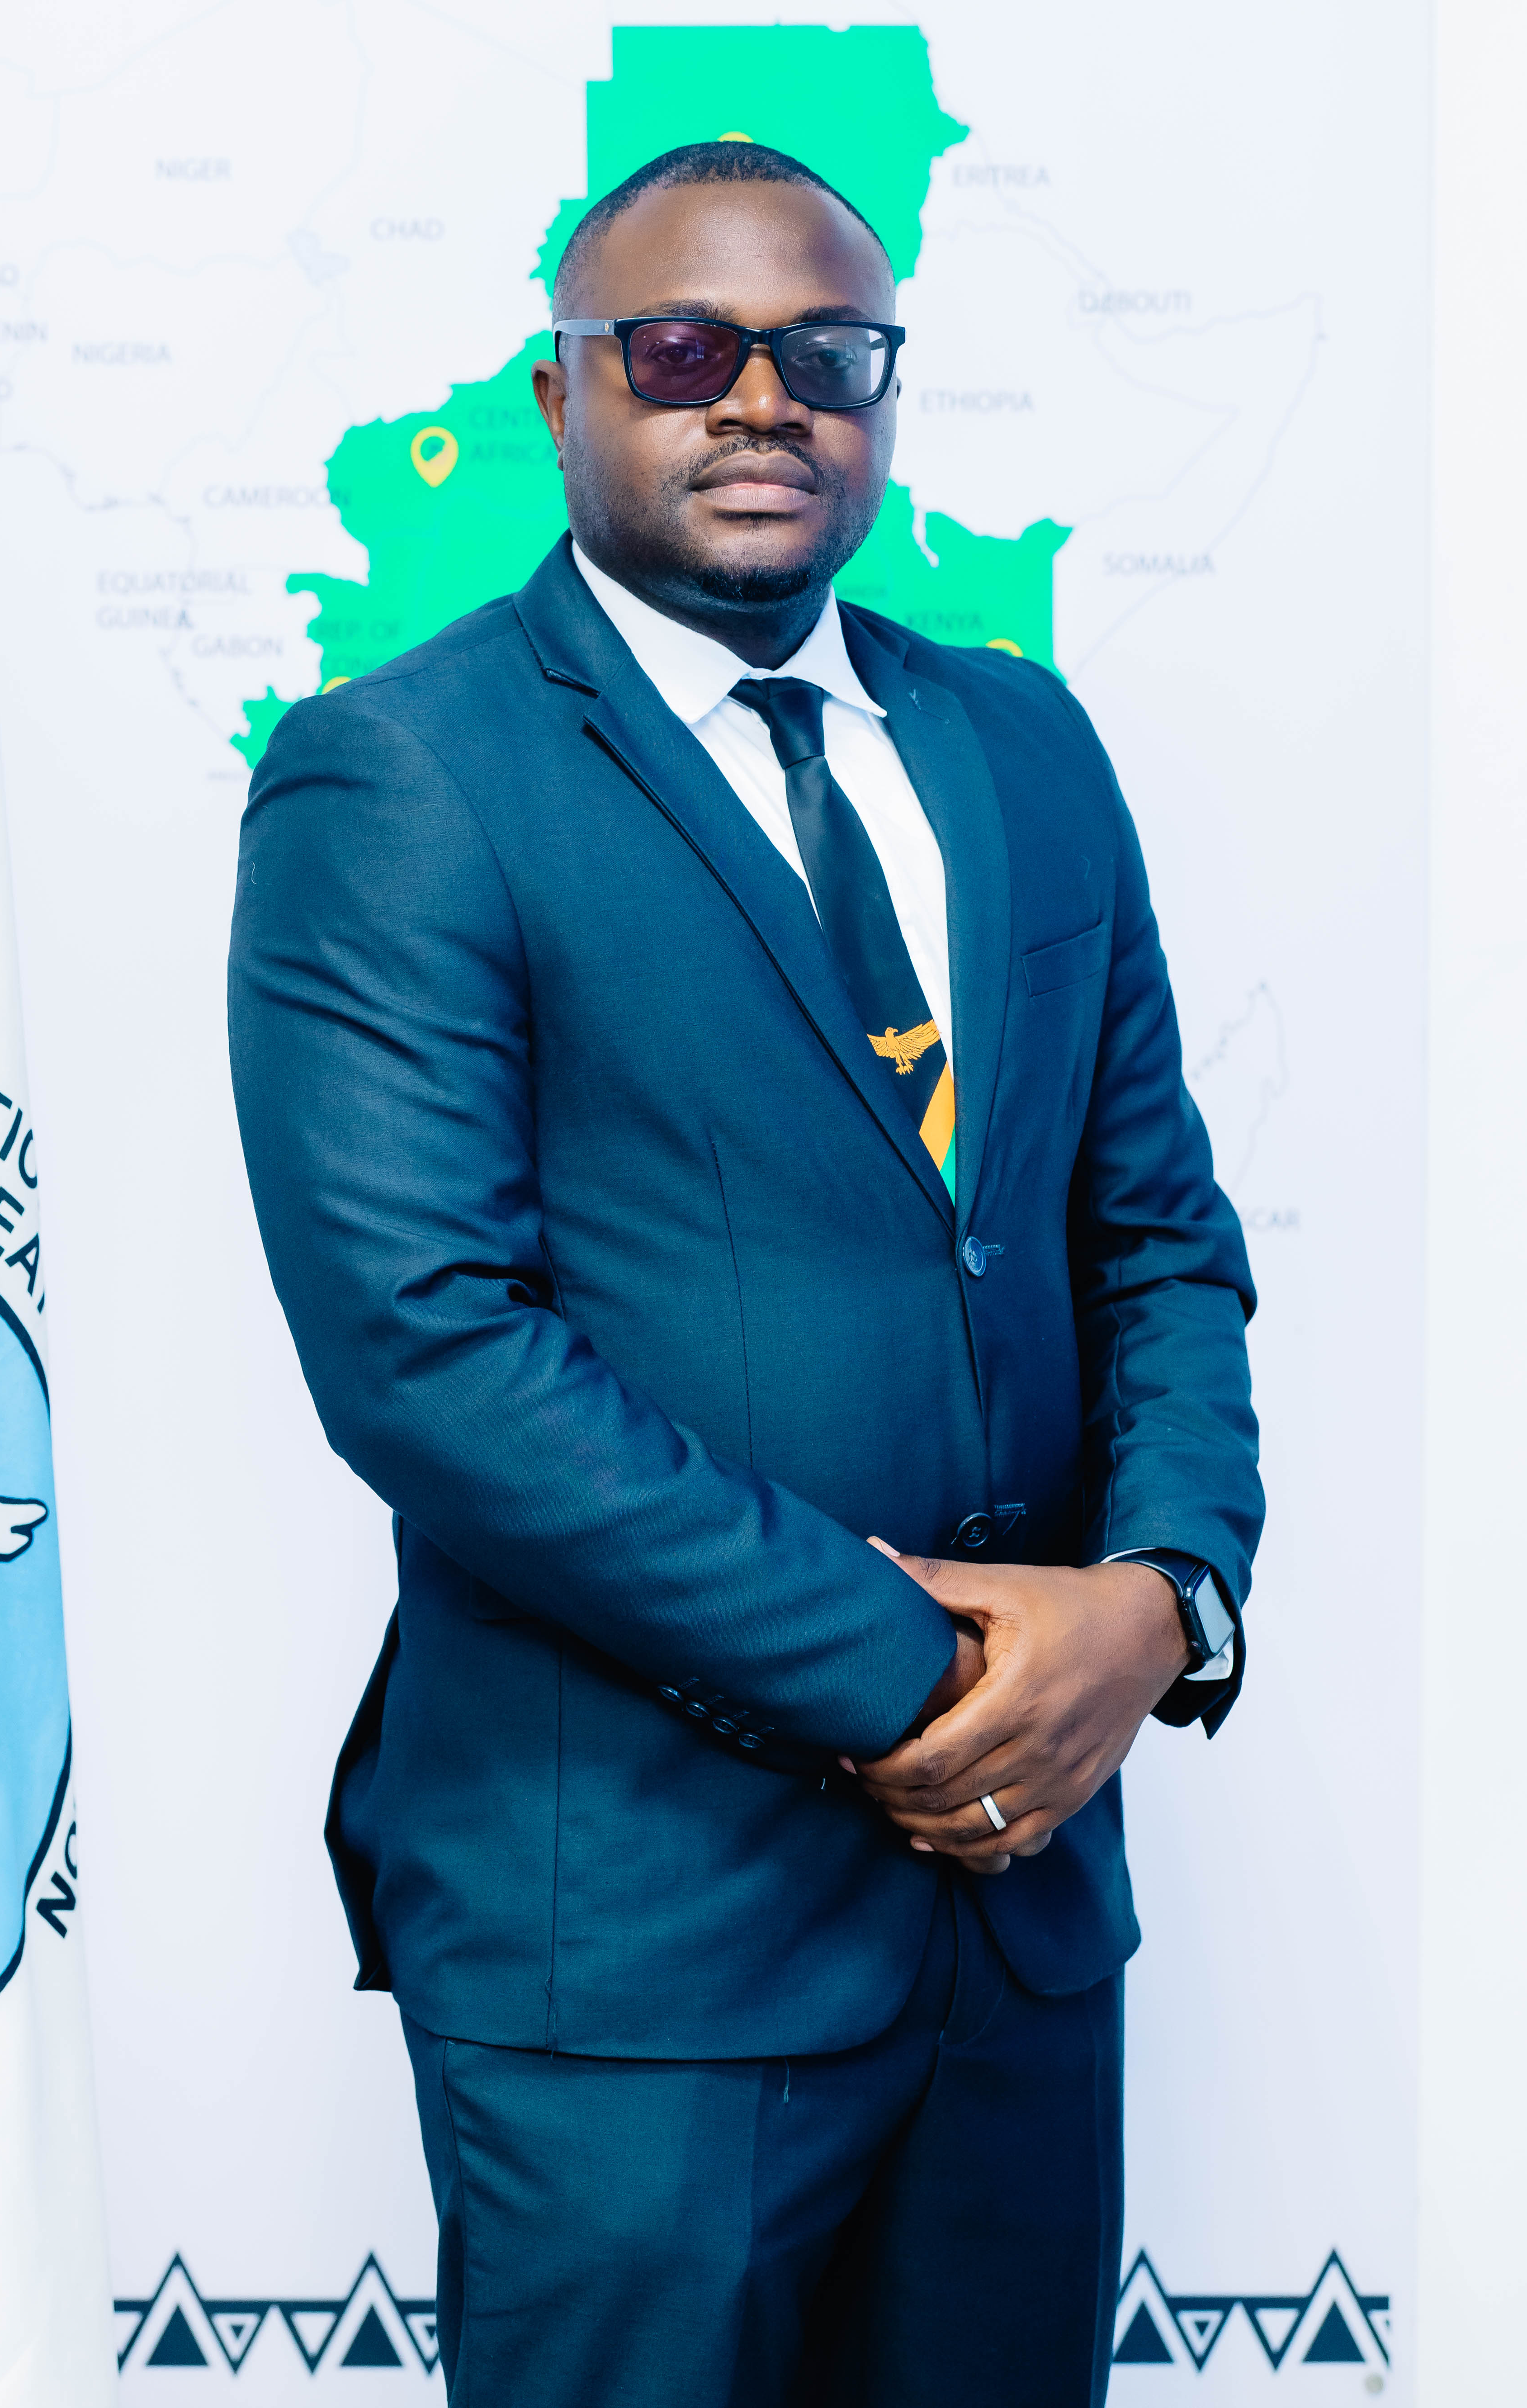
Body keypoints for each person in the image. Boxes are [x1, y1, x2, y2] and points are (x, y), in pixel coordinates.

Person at [228, 140, 1262, 2408]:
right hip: (636, 1956)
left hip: (1017, 1943)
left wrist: (1162, 1600)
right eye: (686, 350)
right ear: (562, 393)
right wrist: (948, 1678)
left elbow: (1157, 1239)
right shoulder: (399, 779)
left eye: (829, 354)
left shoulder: (1026, 747)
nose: (765, 400)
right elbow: (432, 1358)